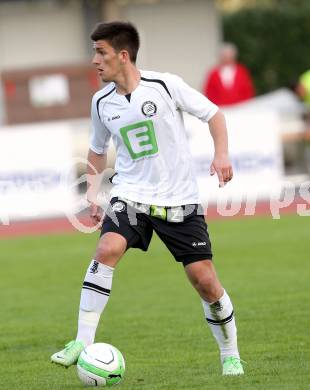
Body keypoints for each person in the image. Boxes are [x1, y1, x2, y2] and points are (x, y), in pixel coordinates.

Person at [51, 21, 244, 376]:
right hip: (131, 196)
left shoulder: (165, 85)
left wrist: (222, 155)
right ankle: (83, 341)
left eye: (101, 52)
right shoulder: (101, 102)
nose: (95, 60)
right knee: (107, 248)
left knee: (205, 282)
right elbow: (97, 149)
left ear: (122, 56)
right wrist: (93, 192)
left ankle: (230, 353)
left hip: (178, 199)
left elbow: (214, 114)